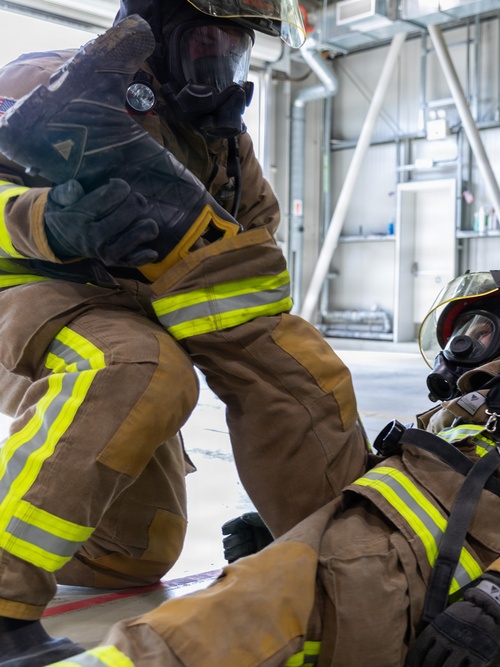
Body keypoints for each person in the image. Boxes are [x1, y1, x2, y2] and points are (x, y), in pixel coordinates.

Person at [0, 5, 368, 663]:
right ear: (153, 30)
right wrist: (49, 222)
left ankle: (352, 556)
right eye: (206, 43)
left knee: (135, 553)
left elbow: (252, 270)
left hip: (135, 323)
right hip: (27, 305)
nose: (220, 66)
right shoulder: (46, 84)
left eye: (233, 49)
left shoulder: (225, 146)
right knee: (142, 367)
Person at [49, 268, 500, 667]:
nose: (461, 350)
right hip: (357, 541)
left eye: (479, 331)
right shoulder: (462, 413)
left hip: (399, 570)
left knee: (208, 629)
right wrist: (296, 523)